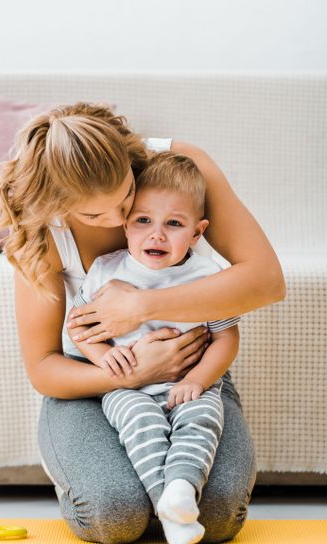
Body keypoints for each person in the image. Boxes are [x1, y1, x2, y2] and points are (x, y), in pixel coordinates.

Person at [0, 102, 285, 544]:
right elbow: (44, 366)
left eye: (125, 198)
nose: (120, 221)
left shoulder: (179, 168)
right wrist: (133, 372)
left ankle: (168, 495)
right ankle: (100, 474)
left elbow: (267, 281)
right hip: (95, 384)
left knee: (219, 517)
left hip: (189, 375)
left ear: (127, 159)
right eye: (94, 216)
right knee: (116, 515)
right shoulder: (44, 228)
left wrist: (139, 306)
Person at [68, 151, 241, 544]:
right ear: (126, 227)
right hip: (126, 387)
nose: (156, 234)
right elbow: (77, 327)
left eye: (174, 224)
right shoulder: (107, 270)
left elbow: (226, 338)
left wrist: (198, 379)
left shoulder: (208, 276)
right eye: (143, 221)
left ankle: (181, 488)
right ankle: (169, 507)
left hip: (189, 382)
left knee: (199, 421)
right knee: (140, 423)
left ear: (197, 233)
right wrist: (104, 356)